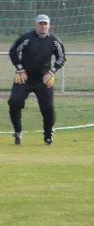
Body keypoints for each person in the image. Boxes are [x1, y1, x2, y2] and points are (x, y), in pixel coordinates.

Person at [8, 14, 66, 145]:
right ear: (36, 24)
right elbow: (13, 52)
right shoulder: (26, 38)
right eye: (41, 23)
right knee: (14, 102)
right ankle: (17, 132)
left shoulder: (54, 41)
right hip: (25, 78)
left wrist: (52, 72)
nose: (43, 26)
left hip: (43, 80)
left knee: (48, 108)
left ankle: (48, 135)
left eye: (45, 24)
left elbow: (61, 58)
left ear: (49, 25)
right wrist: (20, 69)